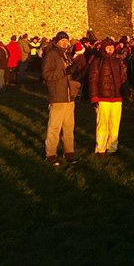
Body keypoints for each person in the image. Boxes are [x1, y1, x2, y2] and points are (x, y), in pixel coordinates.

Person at [42, 31, 78, 166]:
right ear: (57, 41)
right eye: (62, 40)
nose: (64, 42)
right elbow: (46, 74)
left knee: (69, 127)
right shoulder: (51, 54)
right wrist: (64, 72)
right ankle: (50, 154)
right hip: (58, 96)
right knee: (54, 127)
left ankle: (69, 152)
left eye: (66, 40)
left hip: (69, 97)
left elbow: (69, 74)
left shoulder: (66, 54)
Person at [88, 37, 127, 156]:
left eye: (111, 47)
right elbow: (93, 80)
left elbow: (123, 78)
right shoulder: (97, 61)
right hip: (103, 97)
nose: (110, 49)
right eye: (108, 47)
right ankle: (100, 148)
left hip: (116, 97)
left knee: (115, 124)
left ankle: (112, 147)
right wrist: (94, 96)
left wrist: (125, 93)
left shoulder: (118, 61)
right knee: (102, 124)